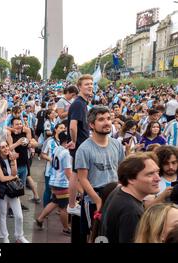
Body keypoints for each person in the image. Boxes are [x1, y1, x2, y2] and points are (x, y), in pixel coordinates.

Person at [75, 106, 125, 243]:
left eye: (109, 118)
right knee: (95, 235)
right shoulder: (84, 149)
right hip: (93, 198)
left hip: (115, 195)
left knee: (113, 233)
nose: (107, 122)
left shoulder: (117, 145)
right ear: (91, 124)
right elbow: (82, 179)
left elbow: (121, 171)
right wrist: (97, 200)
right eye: (101, 119)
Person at [101, 152, 161, 243]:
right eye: (150, 174)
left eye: (157, 172)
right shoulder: (130, 210)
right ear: (131, 179)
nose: (158, 178)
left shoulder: (119, 191)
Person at [67, 75, 93, 223]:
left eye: (91, 84)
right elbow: (72, 125)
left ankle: (73, 203)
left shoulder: (82, 103)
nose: (90, 86)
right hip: (80, 145)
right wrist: (75, 141)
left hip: (81, 144)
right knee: (76, 175)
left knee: (77, 174)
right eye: (86, 84)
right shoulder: (78, 103)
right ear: (79, 87)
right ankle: (71, 205)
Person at [36, 131, 73, 235]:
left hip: (54, 180)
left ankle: (40, 219)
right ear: (67, 141)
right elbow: (68, 172)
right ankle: (66, 228)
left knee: (55, 202)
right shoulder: (66, 153)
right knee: (63, 208)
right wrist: (75, 186)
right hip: (62, 183)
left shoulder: (57, 149)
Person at [0, 141, 30, 243]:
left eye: (6, 146)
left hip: (13, 190)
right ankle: (5, 237)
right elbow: (2, 178)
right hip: (3, 191)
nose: (6, 149)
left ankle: (19, 236)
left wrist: (13, 161)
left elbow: (14, 173)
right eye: (2, 147)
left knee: (19, 216)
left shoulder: (11, 157)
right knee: (3, 214)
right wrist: (14, 177)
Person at [7, 117, 39, 205]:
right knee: (12, 187)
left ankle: (19, 204)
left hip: (24, 164)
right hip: (14, 165)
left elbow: (33, 144)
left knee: (21, 186)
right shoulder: (9, 134)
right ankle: (11, 208)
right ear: (12, 126)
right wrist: (18, 143)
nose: (19, 126)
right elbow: (8, 148)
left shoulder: (26, 132)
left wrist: (31, 144)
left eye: (20, 124)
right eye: (16, 124)